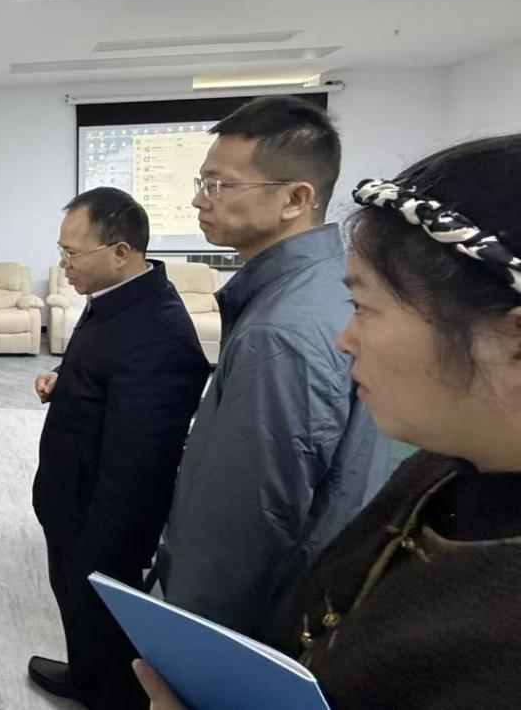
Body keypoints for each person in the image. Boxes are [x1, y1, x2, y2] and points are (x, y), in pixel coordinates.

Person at [136, 133, 521, 709]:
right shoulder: (436, 471)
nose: (344, 339)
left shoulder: (496, 647)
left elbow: (249, 520)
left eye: (365, 308)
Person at [158, 95, 381, 641]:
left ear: (295, 199)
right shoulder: (330, 281)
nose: (199, 199)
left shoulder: (280, 332)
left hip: (254, 621)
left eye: (219, 185)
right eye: (202, 182)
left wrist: (191, 641)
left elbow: (244, 526)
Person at [29, 188, 210, 709]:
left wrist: (99, 550)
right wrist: (66, 378)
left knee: (104, 623)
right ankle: (84, 679)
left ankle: (110, 696)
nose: (63, 265)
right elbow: (106, 368)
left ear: (121, 252)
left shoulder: (159, 331)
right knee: (75, 604)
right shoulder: (115, 300)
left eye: (72, 253)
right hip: (70, 500)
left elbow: (139, 469)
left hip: (101, 524)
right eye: (61, 251)